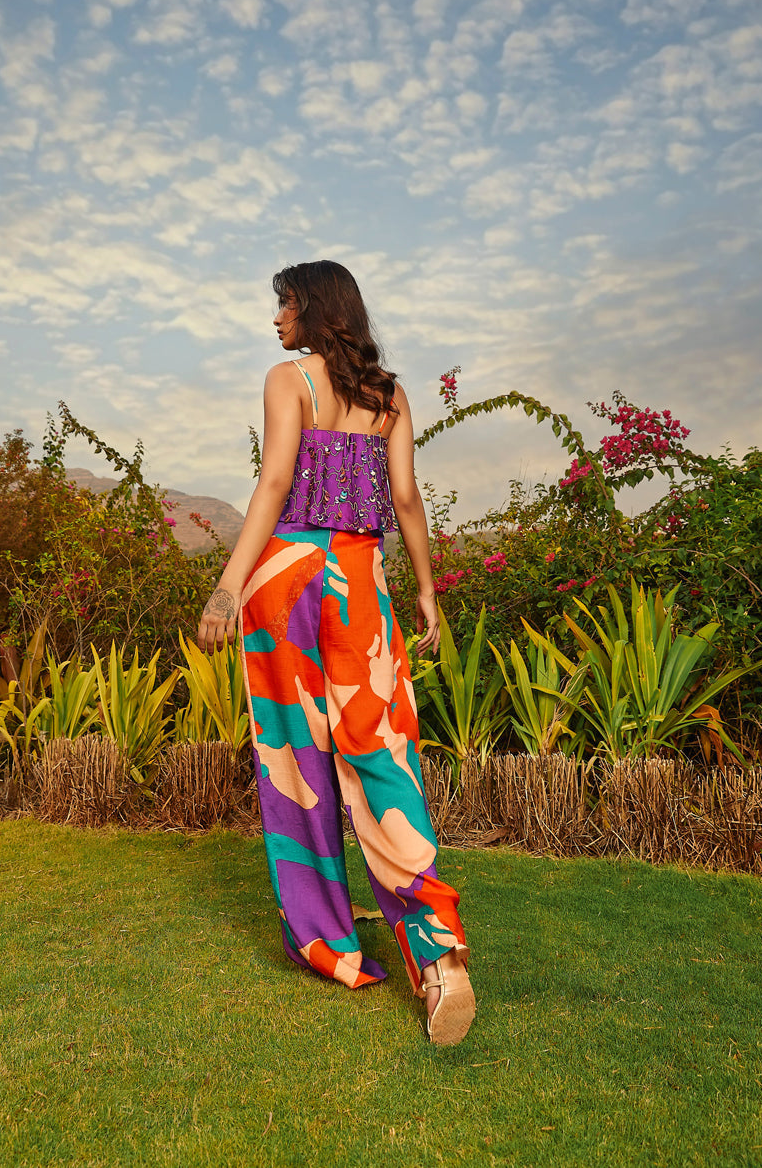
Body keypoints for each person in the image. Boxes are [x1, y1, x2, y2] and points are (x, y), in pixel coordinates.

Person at [197, 260, 474, 1046]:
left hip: (285, 582)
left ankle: (332, 941)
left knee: (296, 762)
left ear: (312, 308)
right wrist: (426, 589)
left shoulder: (290, 381)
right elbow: (409, 500)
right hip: (359, 583)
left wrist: (226, 588)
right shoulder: (390, 396)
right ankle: (438, 951)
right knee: (383, 754)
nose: (275, 319)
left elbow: (275, 481)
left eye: (282, 304)